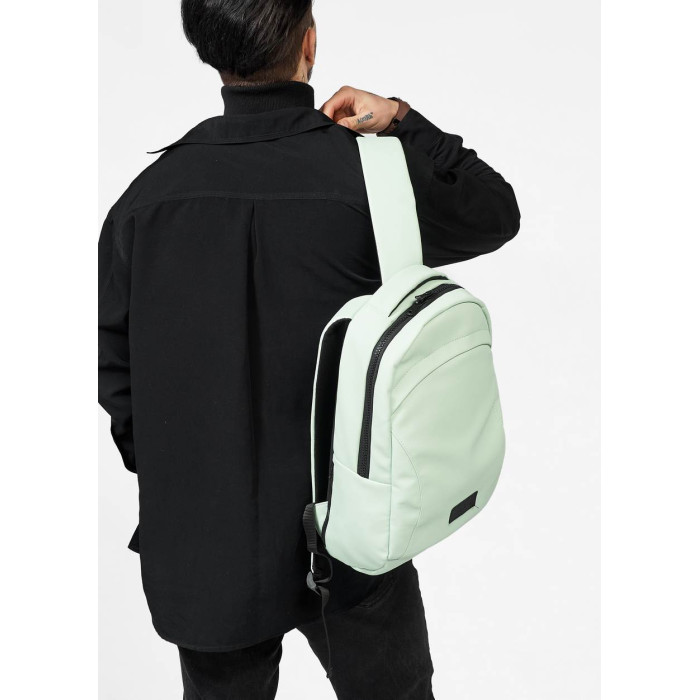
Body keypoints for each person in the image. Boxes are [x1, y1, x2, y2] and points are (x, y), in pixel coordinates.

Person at [98, 1, 520, 697]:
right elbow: (493, 211)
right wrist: (402, 119)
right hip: (357, 529)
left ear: (207, 48)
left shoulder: (144, 203)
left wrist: (182, 479)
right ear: (310, 42)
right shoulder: (372, 177)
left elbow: (117, 372)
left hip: (206, 546)